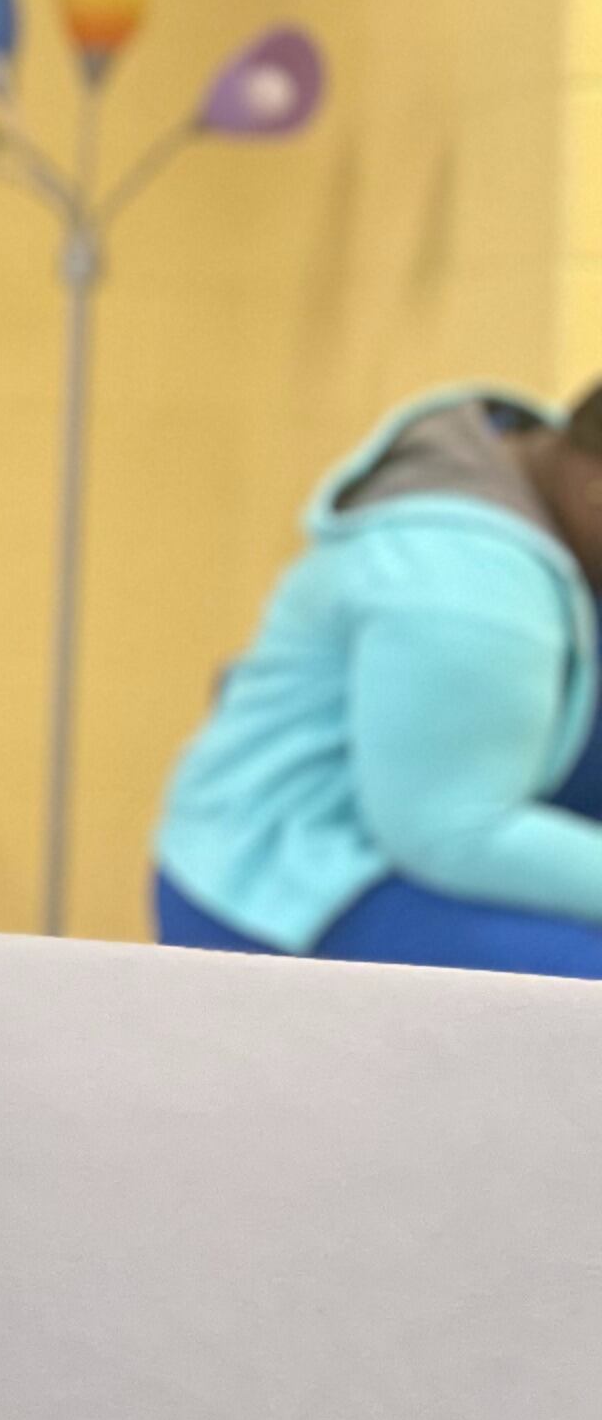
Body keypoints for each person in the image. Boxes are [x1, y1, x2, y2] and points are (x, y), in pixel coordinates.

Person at [155, 382, 602, 978]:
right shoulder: (464, 585)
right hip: (295, 878)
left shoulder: (537, 469)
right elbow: (454, 830)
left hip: (424, 843)